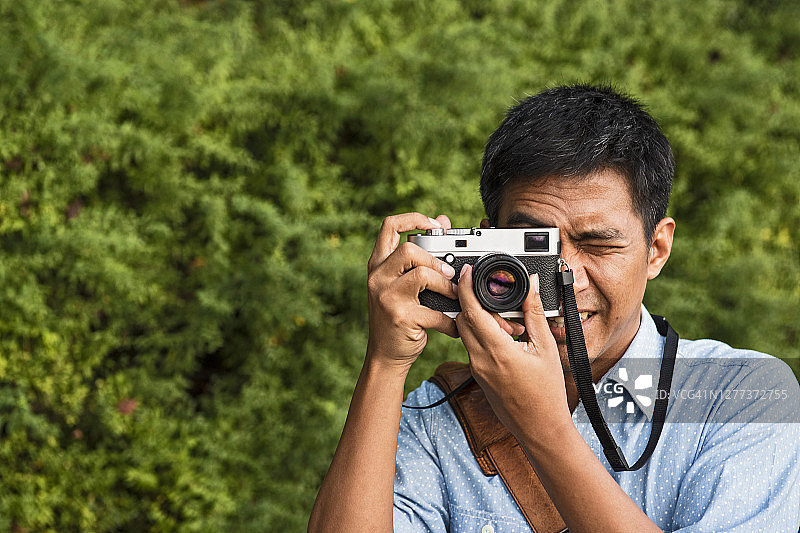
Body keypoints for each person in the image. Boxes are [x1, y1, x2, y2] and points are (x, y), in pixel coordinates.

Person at [308, 85, 800, 532]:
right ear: (487, 244)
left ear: (656, 249)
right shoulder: (441, 416)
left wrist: (542, 428)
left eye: (598, 245)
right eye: (533, 249)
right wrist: (385, 365)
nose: (564, 278)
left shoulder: (741, 396)